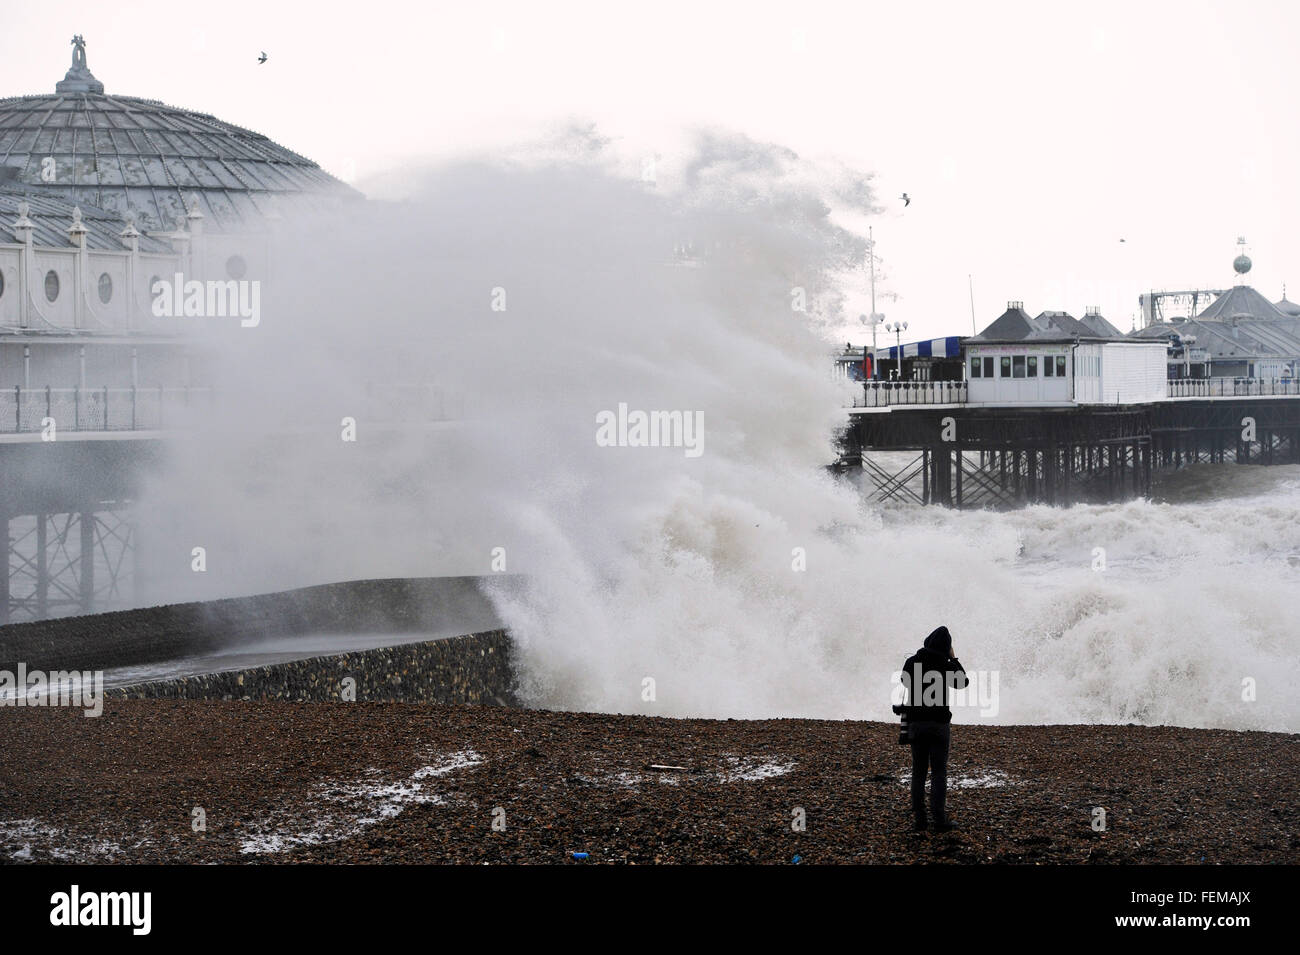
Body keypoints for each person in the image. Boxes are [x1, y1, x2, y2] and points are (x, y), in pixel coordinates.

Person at [900, 625, 968, 832]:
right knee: (939, 772)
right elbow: (963, 682)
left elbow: (904, 681)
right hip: (939, 725)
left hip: (917, 723)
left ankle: (920, 819)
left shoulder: (912, 662)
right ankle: (939, 819)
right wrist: (954, 659)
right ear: (946, 647)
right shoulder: (945, 665)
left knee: (918, 771)